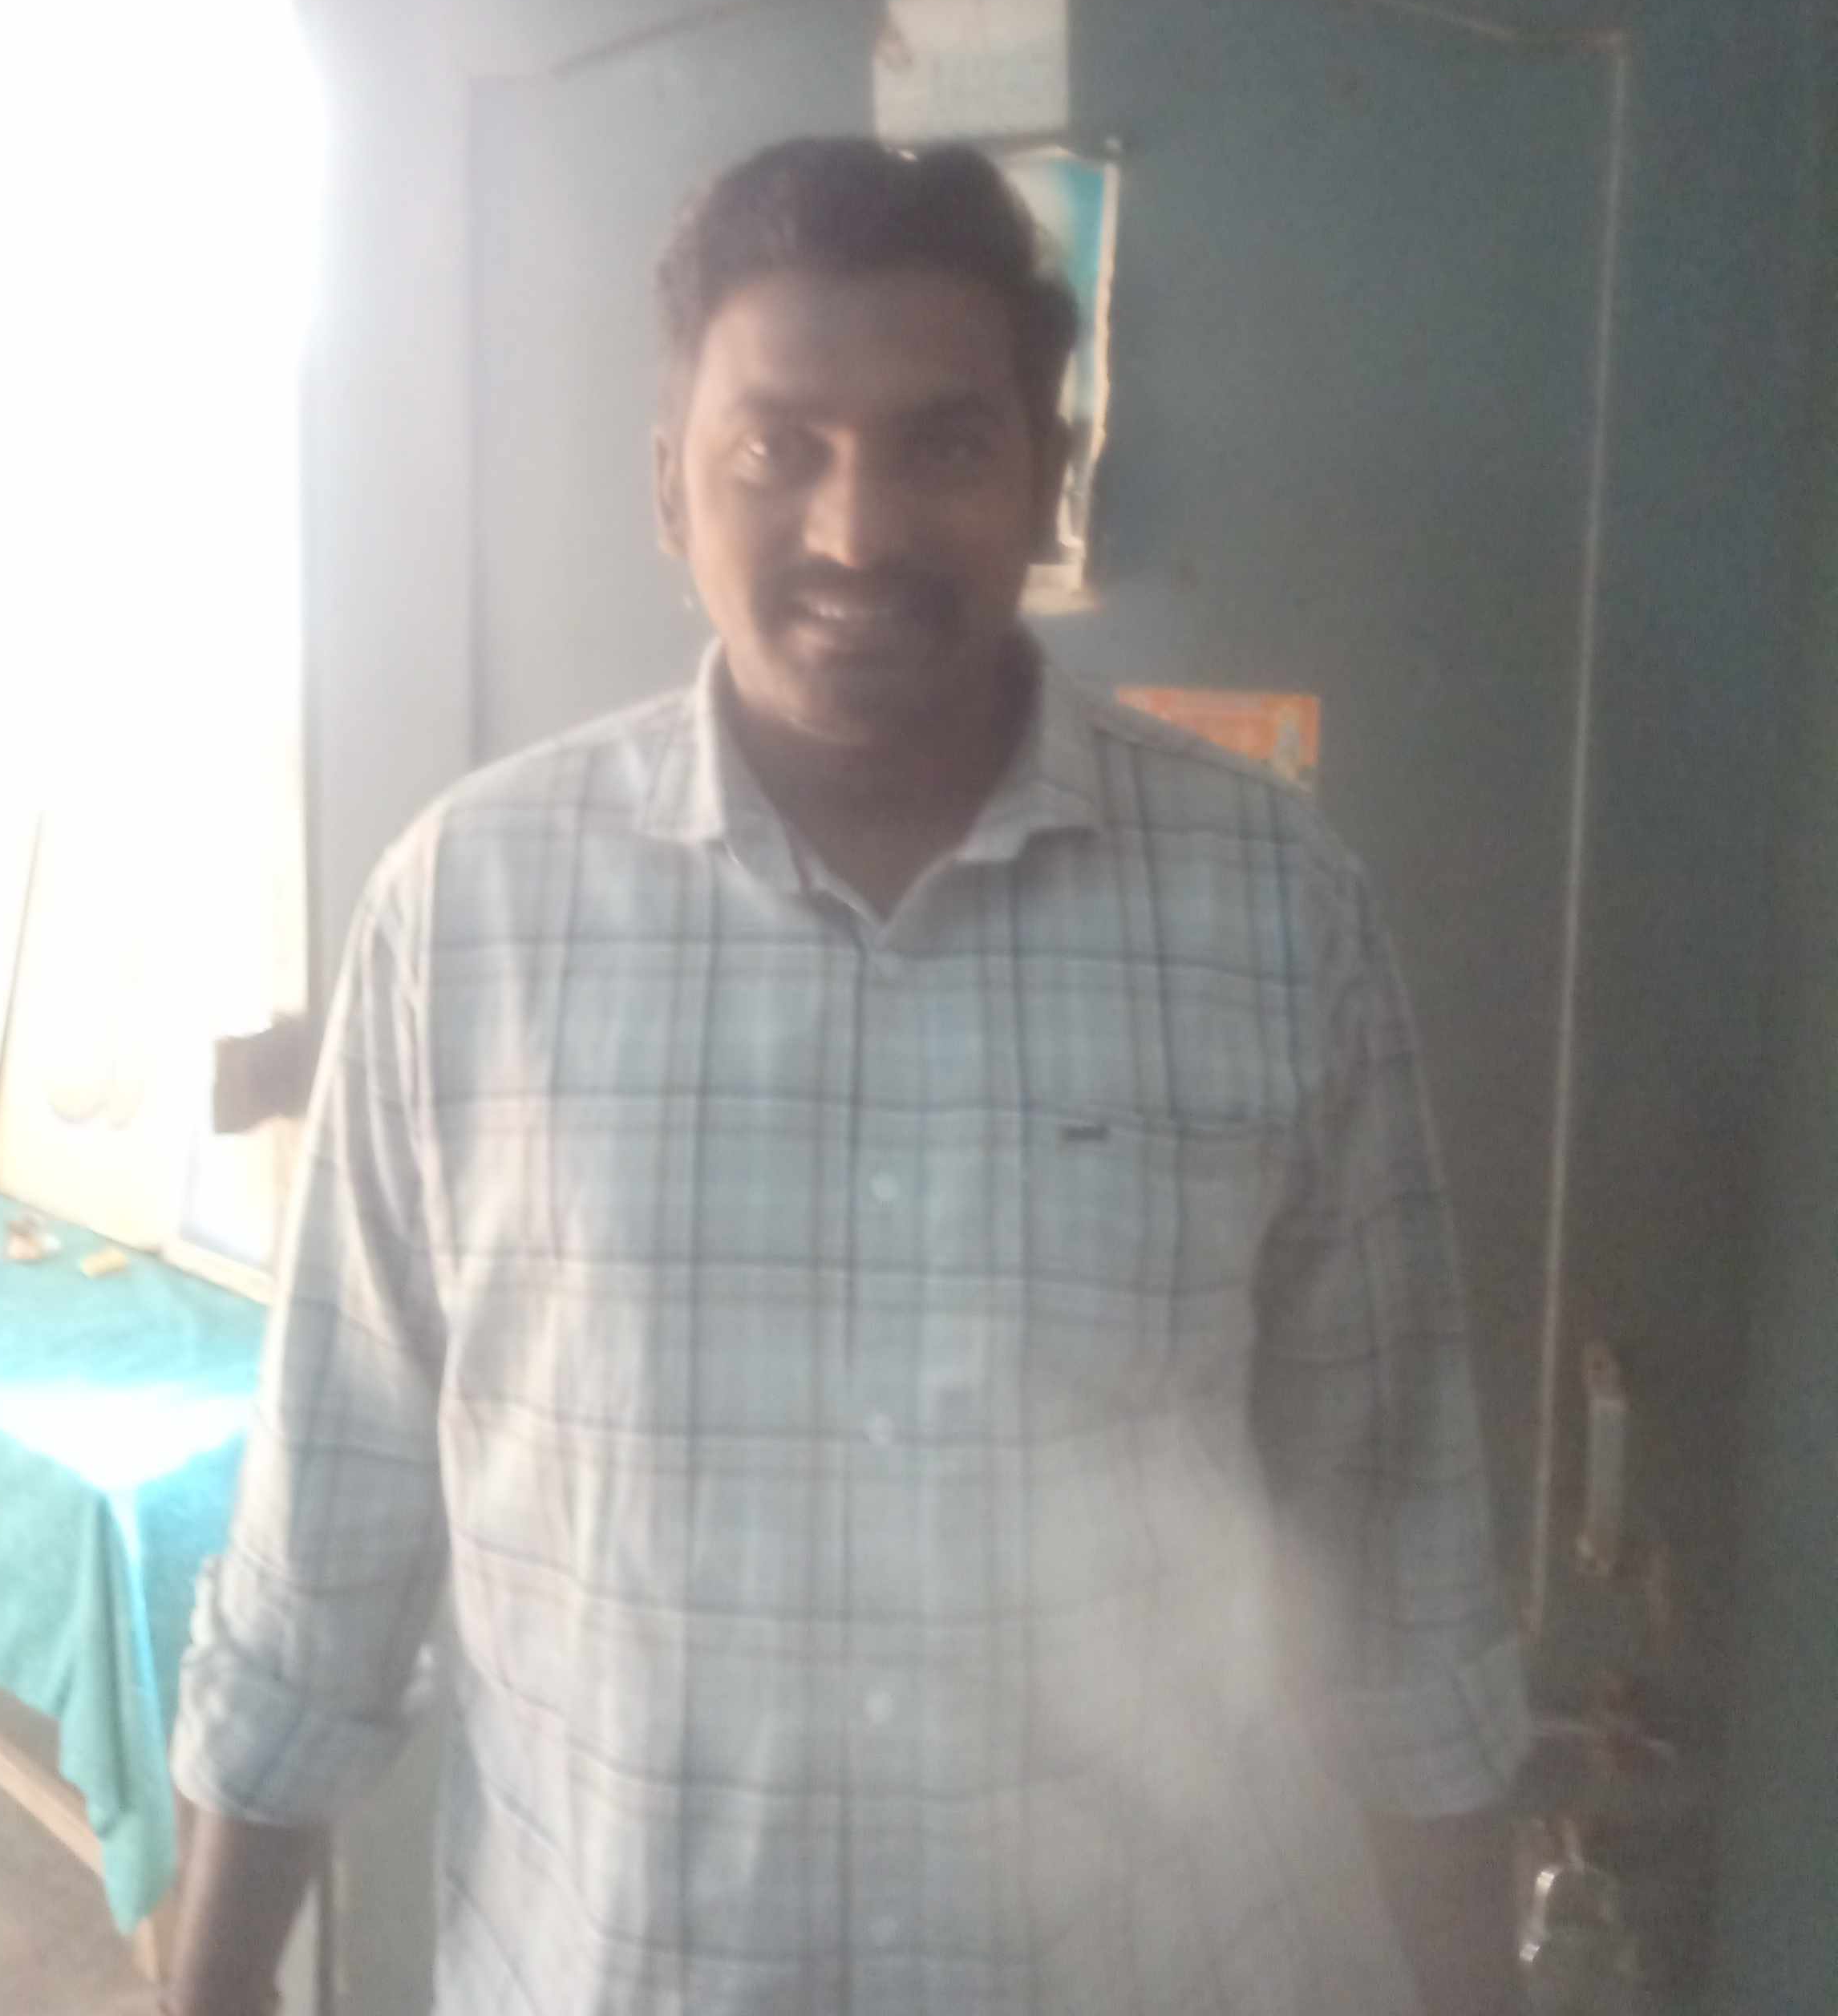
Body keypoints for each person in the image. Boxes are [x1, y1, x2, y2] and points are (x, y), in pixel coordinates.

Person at [166, 138, 1529, 2015]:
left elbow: (1402, 1574)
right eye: (774, 448)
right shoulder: (465, 918)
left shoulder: (1272, 912)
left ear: (1047, 479)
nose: (857, 528)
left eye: (943, 444)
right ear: (668, 485)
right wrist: (207, 1988)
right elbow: (322, 1552)